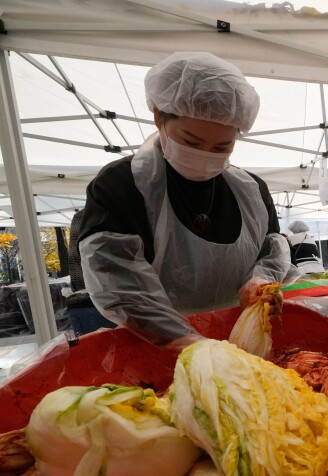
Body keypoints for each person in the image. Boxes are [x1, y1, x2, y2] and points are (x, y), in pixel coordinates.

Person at [78, 52, 288, 351]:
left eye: (222, 146)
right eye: (190, 142)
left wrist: (260, 281)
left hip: (242, 342)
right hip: (155, 346)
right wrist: (193, 345)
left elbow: (272, 251)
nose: (205, 153)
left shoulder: (252, 191)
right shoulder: (123, 185)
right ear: (158, 117)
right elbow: (121, 285)